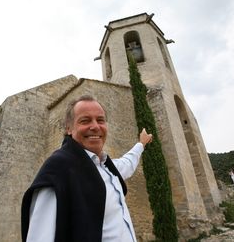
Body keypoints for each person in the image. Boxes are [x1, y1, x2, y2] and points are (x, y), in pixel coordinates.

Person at [21, 95, 153, 242]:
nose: (95, 126)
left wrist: (141, 144)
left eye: (100, 120)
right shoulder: (58, 170)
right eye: (85, 120)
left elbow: (127, 163)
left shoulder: (107, 167)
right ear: (69, 128)